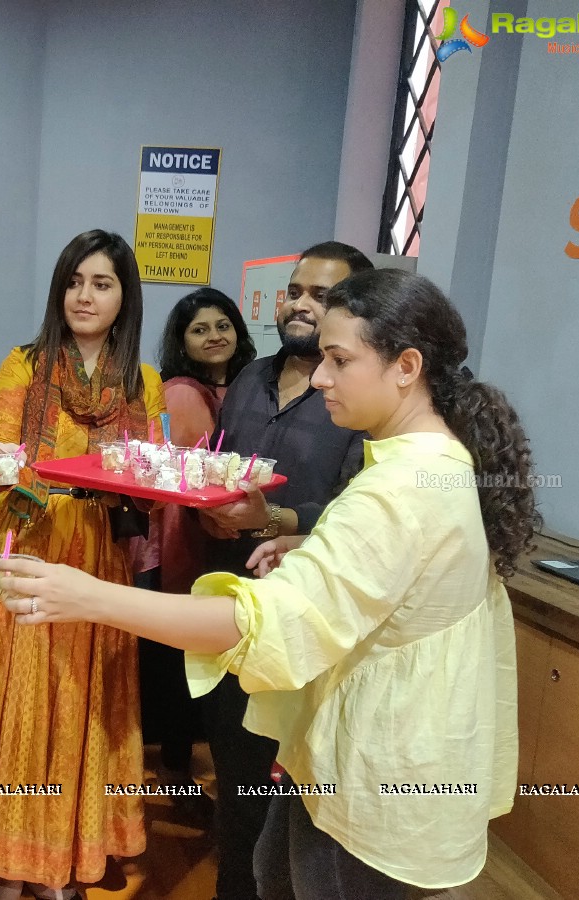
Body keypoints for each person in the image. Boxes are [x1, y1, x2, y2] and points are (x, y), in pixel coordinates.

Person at [0, 269, 536, 898]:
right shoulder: (433, 463)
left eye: (339, 359)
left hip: (376, 780)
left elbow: (258, 623)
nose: (322, 377)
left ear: (406, 366)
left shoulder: (400, 489)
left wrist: (84, 596)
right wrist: (312, 547)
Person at [0, 230, 166, 900]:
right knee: (19, 702)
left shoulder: (141, 384)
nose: (84, 296)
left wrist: (136, 484)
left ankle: (64, 859)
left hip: (97, 550)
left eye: (102, 283)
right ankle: (15, 862)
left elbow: (145, 475)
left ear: (125, 297)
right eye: (74, 281)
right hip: (29, 537)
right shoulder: (25, 364)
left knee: (81, 702)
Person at [195, 240, 372, 900]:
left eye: (322, 296)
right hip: (228, 609)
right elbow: (224, 471)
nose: (301, 304)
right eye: (296, 290)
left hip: (307, 623)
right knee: (234, 774)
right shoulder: (249, 378)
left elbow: (364, 514)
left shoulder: (360, 395)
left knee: (291, 799)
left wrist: (273, 521)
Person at [142, 287, 256, 806]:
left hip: (235, 529)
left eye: (222, 325)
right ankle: (177, 768)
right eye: (199, 329)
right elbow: (190, 474)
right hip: (189, 535)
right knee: (184, 654)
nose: (214, 337)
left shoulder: (251, 385)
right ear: (183, 343)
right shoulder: (182, 393)